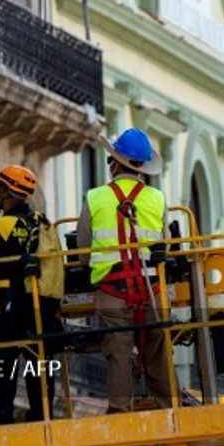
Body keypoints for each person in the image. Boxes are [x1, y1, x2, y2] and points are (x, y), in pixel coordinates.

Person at [77, 128, 173, 413]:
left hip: (112, 293)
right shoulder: (157, 199)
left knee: (118, 355)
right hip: (153, 291)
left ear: (116, 163)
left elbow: (83, 252)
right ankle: (171, 412)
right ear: (141, 168)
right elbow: (164, 247)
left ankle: (120, 415)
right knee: (157, 355)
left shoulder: (95, 197)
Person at [0, 165, 62, 425]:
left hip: (14, 307)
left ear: (6, 191)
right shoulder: (45, 224)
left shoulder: (3, 226)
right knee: (39, 366)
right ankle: (42, 418)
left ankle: (0, 420)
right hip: (46, 307)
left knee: (2, 364)